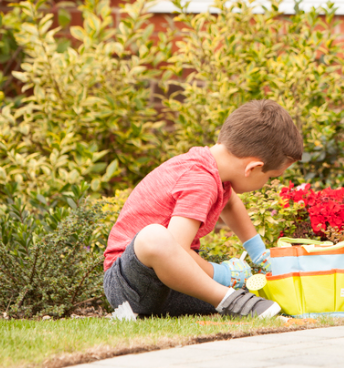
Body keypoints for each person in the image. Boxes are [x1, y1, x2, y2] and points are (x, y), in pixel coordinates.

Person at [103, 99, 303, 318]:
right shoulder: (200, 179)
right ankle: (230, 301)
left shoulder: (216, 172)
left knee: (248, 287)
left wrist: (260, 255)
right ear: (253, 168)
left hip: (169, 284)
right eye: (270, 177)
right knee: (155, 236)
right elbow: (177, 247)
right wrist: (223, 274)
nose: (267, 182)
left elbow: (231, 203)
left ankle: (235, 298)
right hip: (132, 283)